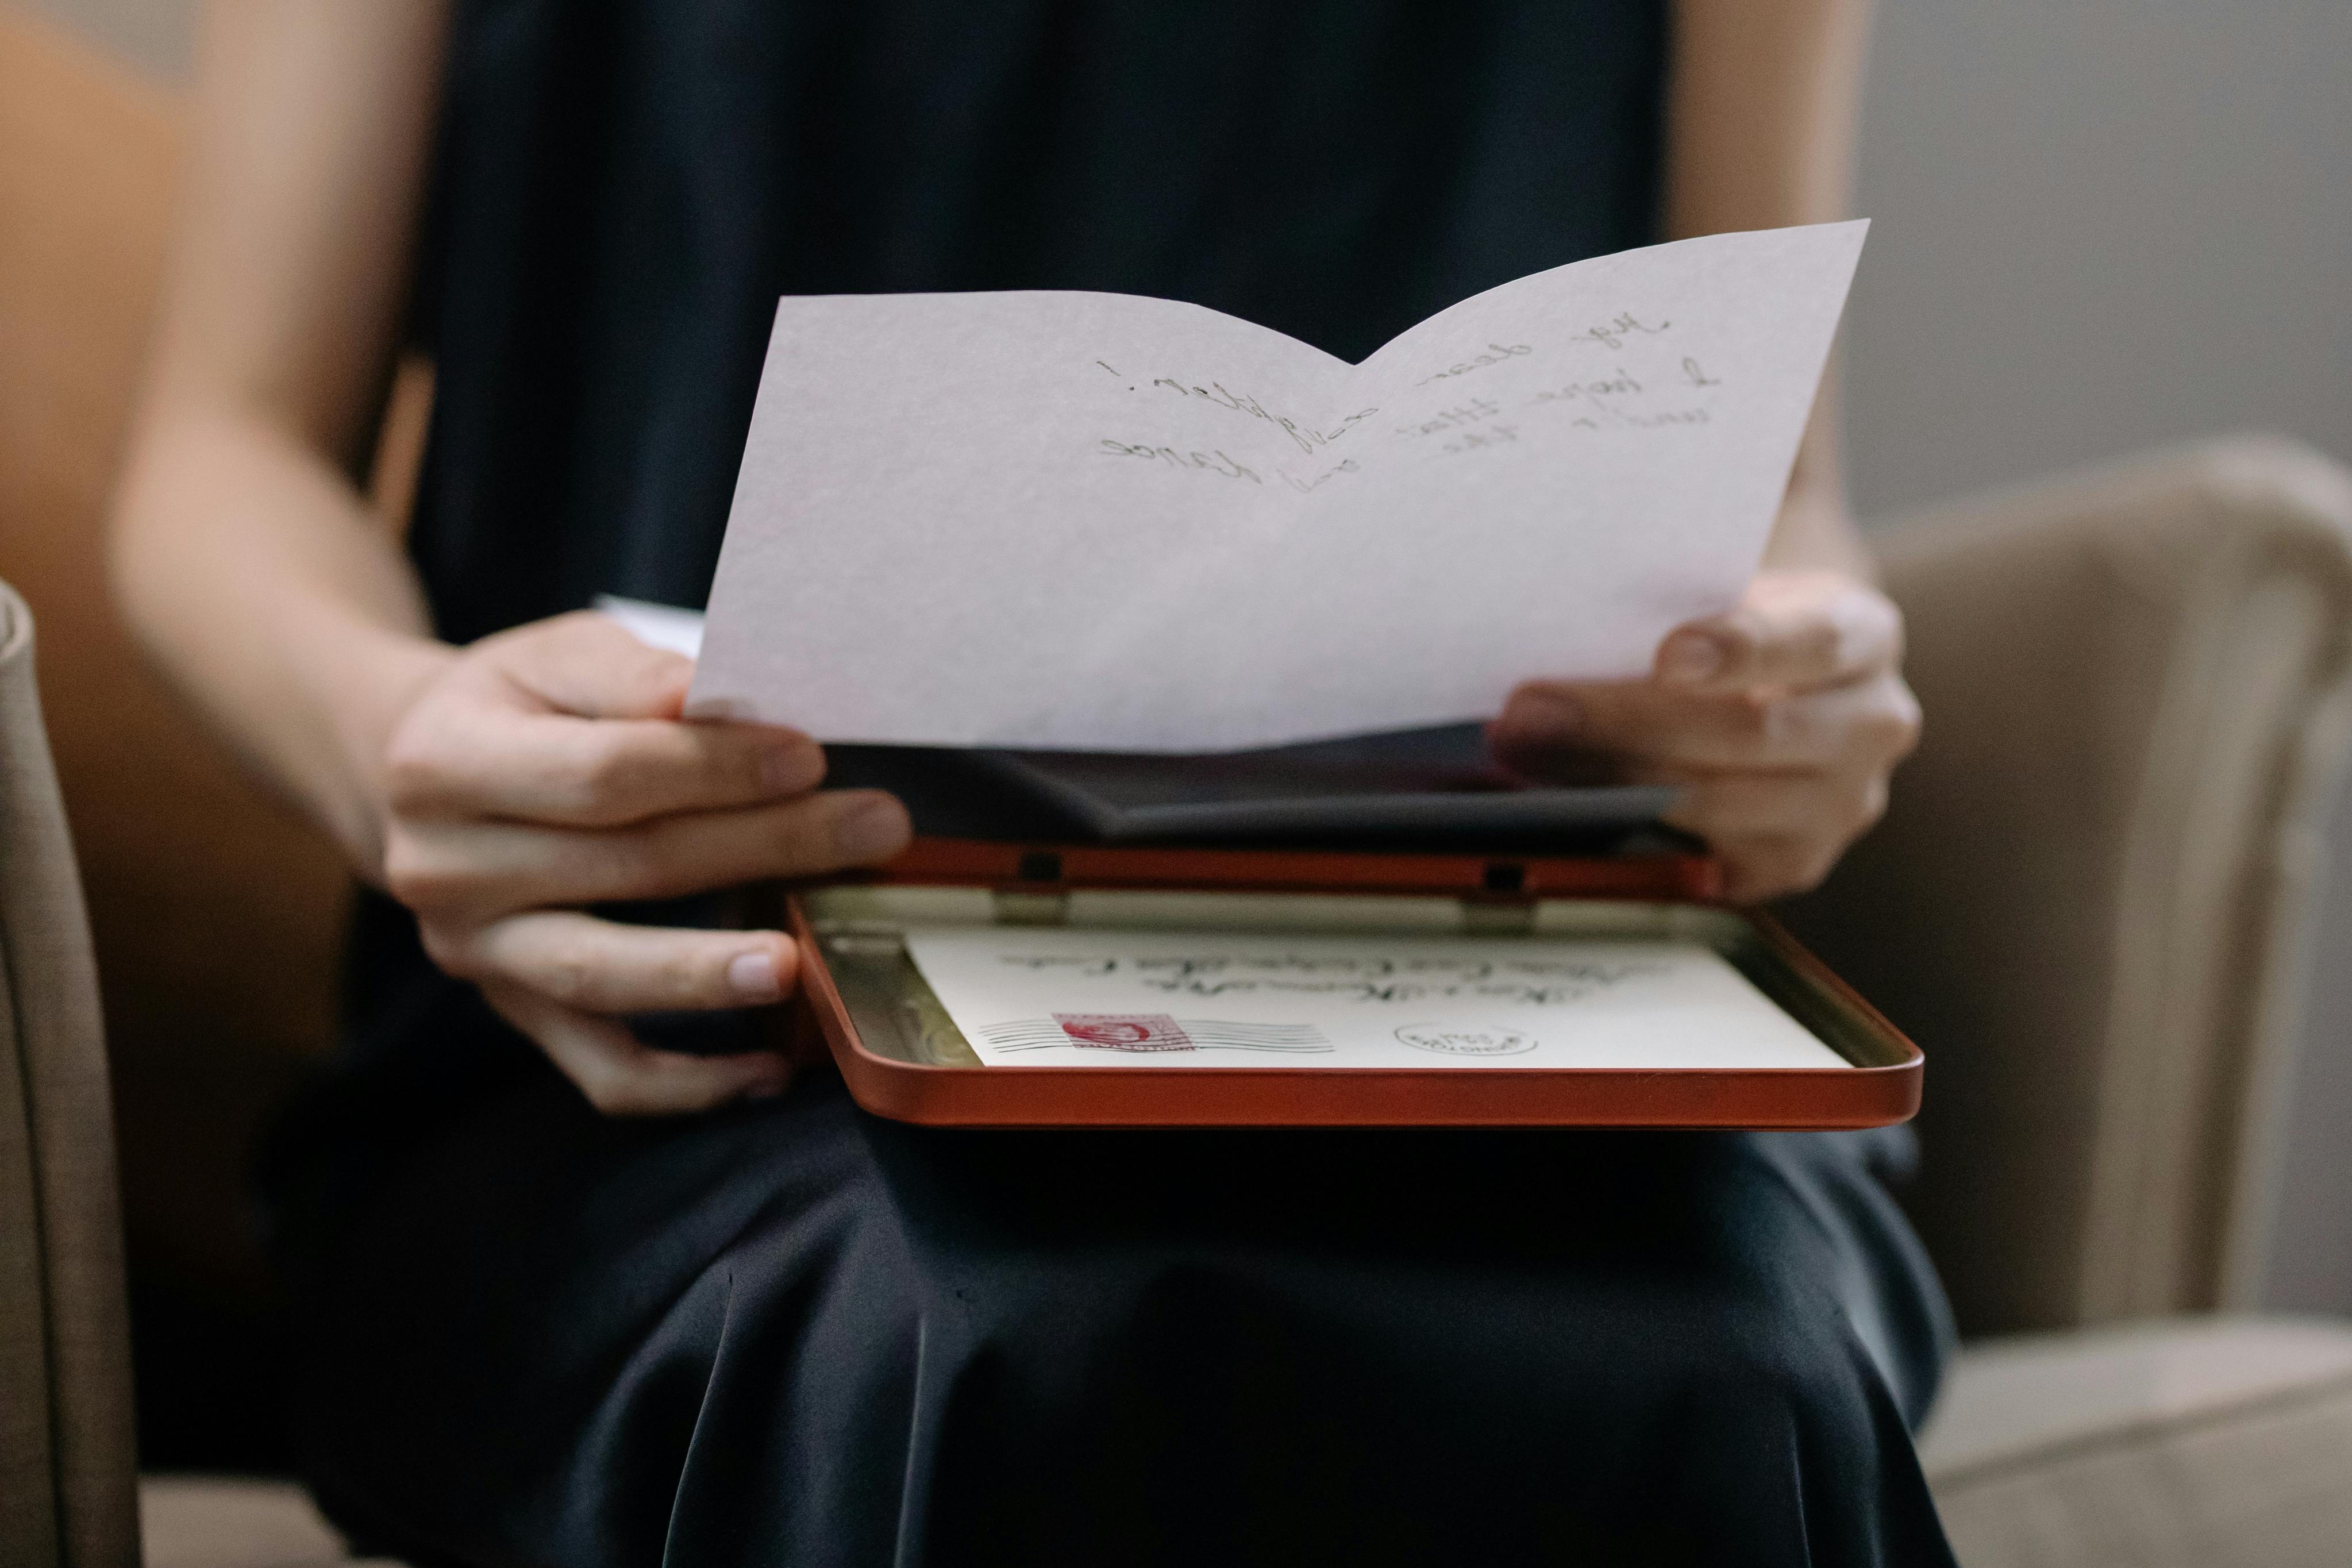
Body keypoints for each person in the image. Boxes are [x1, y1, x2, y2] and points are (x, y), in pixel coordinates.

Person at [111, 1, 1948, 1563]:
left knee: (1720, 1357)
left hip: (1511, 1016)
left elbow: (1784, 495)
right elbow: (226, 449)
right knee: (939, 1343)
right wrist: (399, 737)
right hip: (702, 1028)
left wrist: (1801, 684)